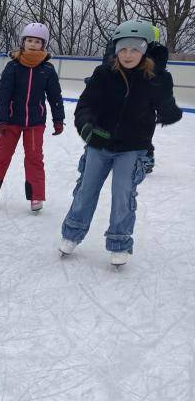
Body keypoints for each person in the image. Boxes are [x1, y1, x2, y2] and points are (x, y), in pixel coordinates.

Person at [59, 20, 181, 267]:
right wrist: (87, 127)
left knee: (122, 196)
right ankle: (72, 233)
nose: (128, 55)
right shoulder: (104, 74)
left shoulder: (153, 78)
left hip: (132, 148)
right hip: (99, 143)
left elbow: (168, 113)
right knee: (85, 190)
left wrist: (163, 85)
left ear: (145, 50)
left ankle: (119, 242)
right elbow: (85, 106)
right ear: (115, 50)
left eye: (135, 49)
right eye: (123, 49)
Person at [0, 22, 64, 212]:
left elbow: (55, 96)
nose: (33, 44)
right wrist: (1, 119)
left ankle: (36, 196)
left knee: (34, 159)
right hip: (11, 121)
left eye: (37, 42)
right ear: (23, 42)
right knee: (1, 156)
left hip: (35, 123)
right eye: (29, 40)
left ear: (43, 45)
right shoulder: (13, 66)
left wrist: (58, 119)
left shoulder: (47, 69)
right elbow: (3, 94)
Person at [102, 21, 167, 174]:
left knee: (142, 127)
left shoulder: (157, 53)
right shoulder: (114, 48)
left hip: (143, 100)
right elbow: (107, 65)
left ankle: (146, 155)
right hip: (118, 95)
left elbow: (157, 73)